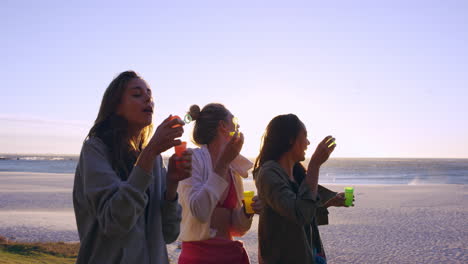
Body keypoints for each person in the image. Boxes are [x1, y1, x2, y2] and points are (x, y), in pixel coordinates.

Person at [73, 71, 192, 264]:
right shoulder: (95, 149)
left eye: (150, 95)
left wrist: (171, 184)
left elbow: (169, 234)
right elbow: (115, 222)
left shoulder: (152, 157)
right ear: (116, 106)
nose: (148, 99)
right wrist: (149, 153)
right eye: (137, 94)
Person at [254, 114, 353, 264]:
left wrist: (328, 202)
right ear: (290, 139)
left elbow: (303, 215)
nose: (308, 143)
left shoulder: (296, 173)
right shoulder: (269, 173)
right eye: (305, 136)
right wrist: (314, 165)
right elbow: (300, 214)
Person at [177, 103, 262, 264]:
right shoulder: (191, 158)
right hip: (198, 257)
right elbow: (199, 211)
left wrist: (247, 211)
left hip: (230, 255)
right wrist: (222, 164)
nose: (238, 125)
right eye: (234, 120)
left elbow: (237, 229)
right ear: (223, 126)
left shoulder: (233, 167)